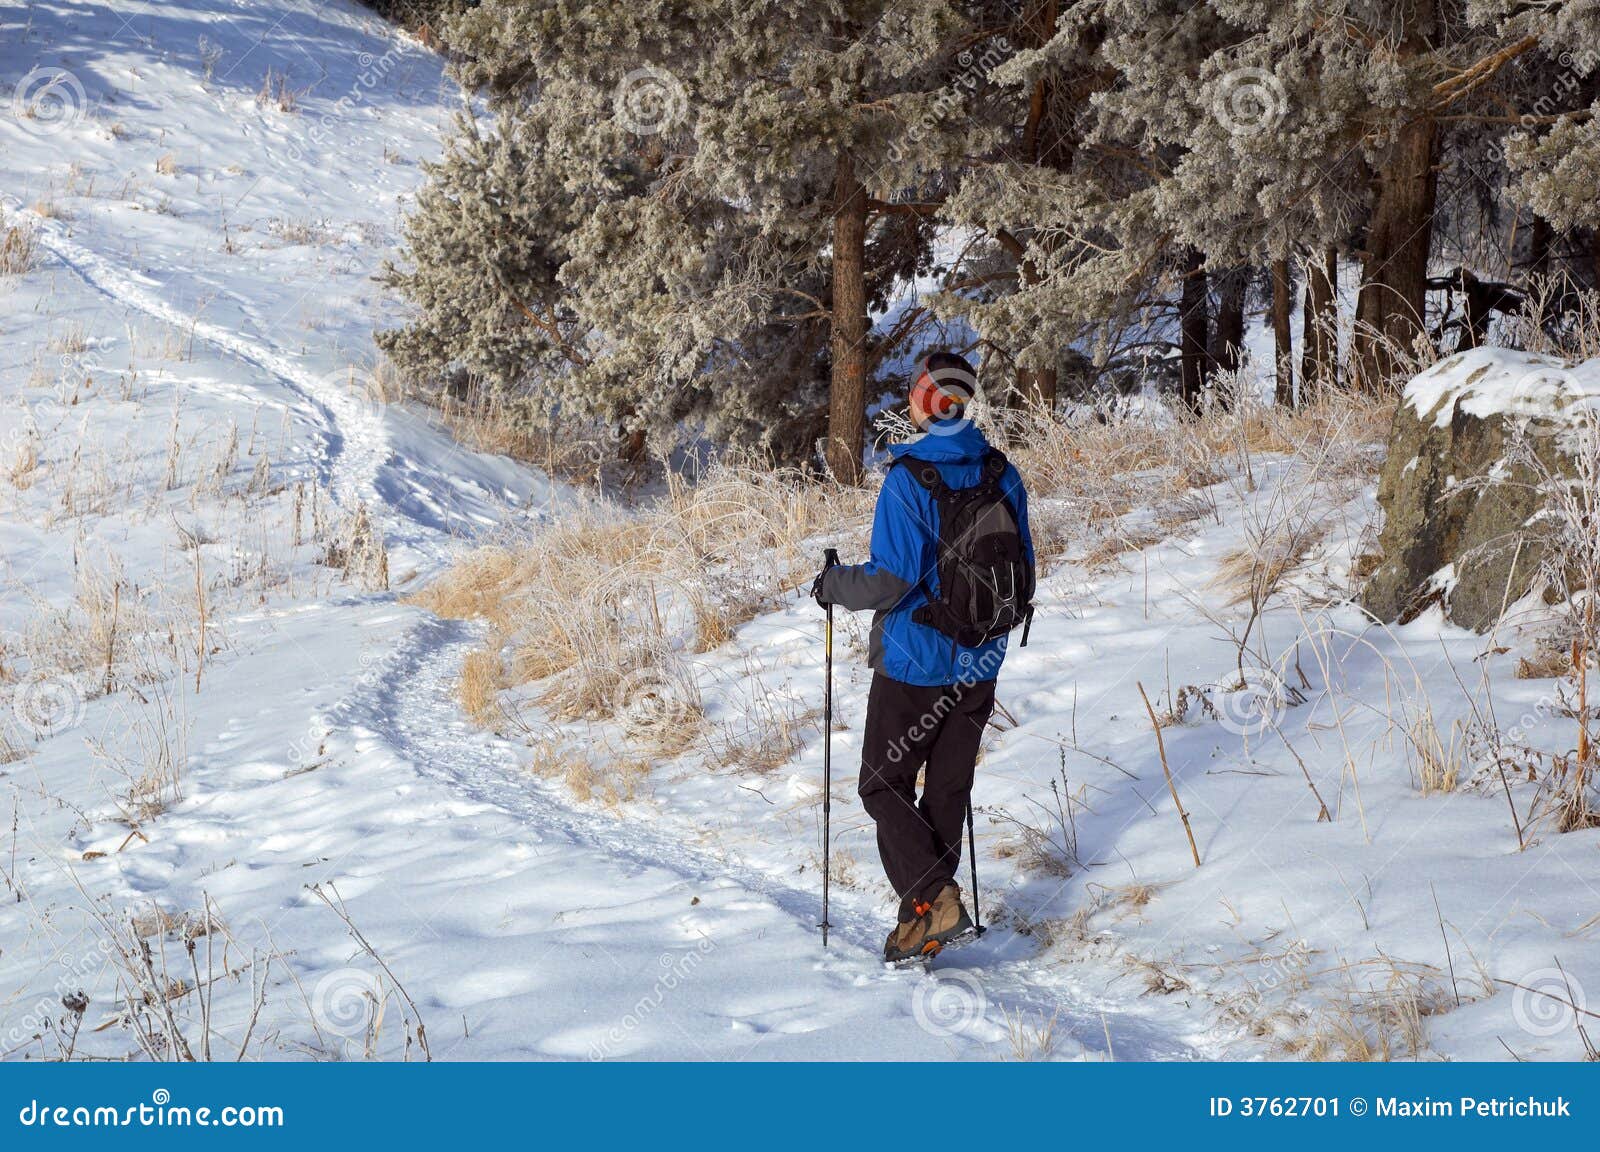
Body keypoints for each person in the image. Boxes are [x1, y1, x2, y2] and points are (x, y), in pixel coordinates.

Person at [813, 352, 1034, 962]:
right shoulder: (1002, 473)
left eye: (914, 393)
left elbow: (891, 580)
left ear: (927, 401)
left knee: (882, 785)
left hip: (914, 663)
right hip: (979, 664)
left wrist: (832, 585)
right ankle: (926, 917)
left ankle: (935, 898)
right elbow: (1027, 572)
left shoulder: (908, 478)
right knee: (944, 792)